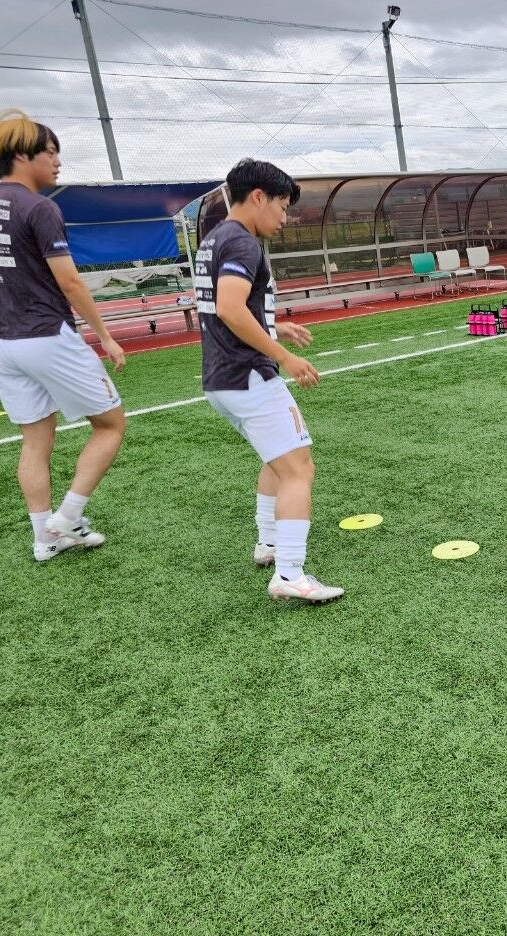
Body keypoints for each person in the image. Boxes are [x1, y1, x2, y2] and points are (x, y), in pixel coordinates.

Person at [0, 109, 127, 562]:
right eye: (51, 152)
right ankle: (68, 516)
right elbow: (70, 281)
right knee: (111, 425)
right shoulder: (40, 207)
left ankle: (45, 538)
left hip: (2, 342)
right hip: (45, 335)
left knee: (36, 442)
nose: (57, 162)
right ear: (23, 155)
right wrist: (105, 336)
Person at [195, 158, 342, 603]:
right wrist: (283, 356)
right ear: (258, 197)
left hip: (221, 377)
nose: (284, 217)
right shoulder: (242, 242)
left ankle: (269, 543)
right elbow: (230, 309)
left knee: (277, 458)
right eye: (281, 206)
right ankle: (289, 573)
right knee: (299, 469)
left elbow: (229, 309)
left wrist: (276, 328)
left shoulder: (215, 238)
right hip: (248, 375)